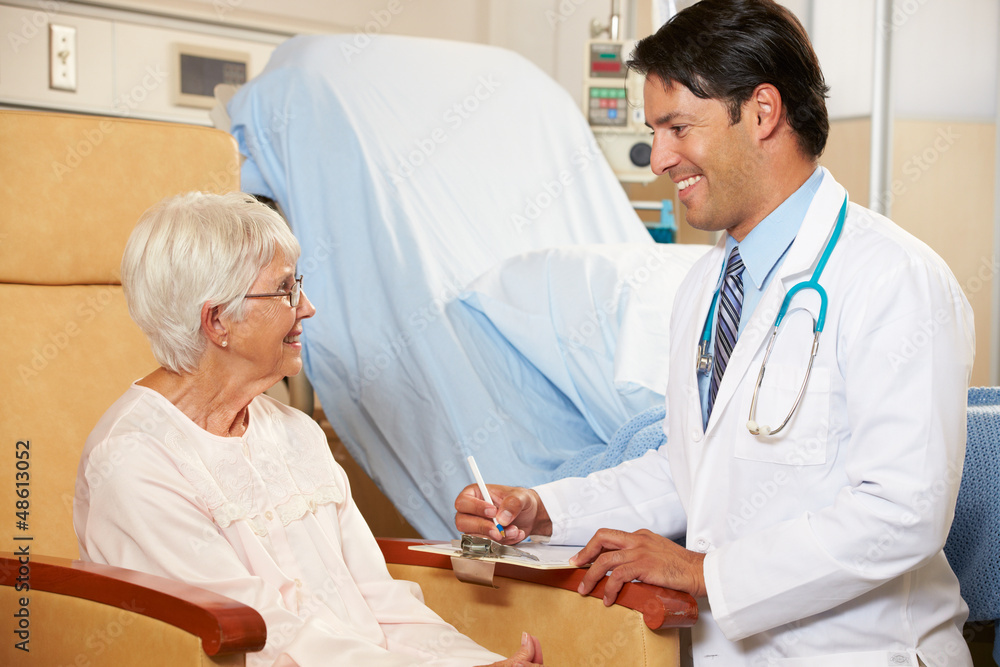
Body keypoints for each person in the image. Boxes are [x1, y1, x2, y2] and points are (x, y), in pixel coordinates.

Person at [456, 1, 975, 665]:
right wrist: (542, 509)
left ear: (762, 112)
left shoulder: (894, 278)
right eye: (655, 131)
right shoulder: (707, 287)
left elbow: (902, 513)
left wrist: (704, 572)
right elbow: (691, 474)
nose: (659, 159)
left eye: (677, 127)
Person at [74, 192, 542, 667]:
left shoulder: (297, 433)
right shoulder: (133, 462)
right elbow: (263, 640)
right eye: (285, 290)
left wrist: (477, 664)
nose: (308, 307)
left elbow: (381, 603)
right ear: (217, 321)